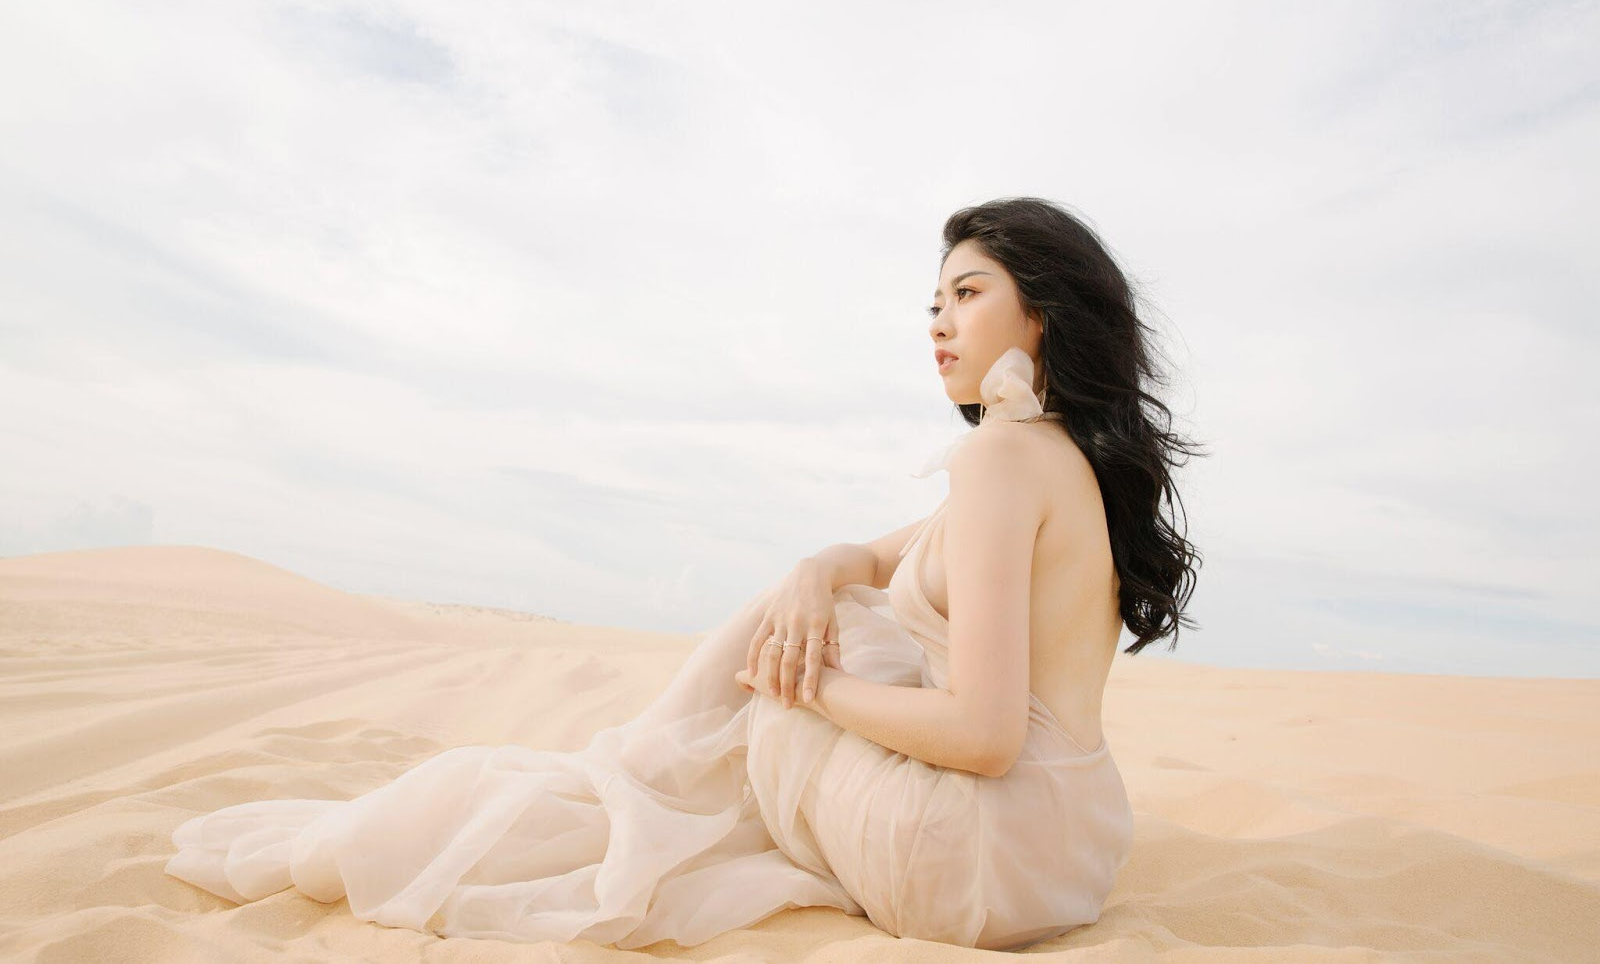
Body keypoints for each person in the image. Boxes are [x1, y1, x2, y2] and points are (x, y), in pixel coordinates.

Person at [165, 196, 1204, 951]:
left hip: (979, 865)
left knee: (790, 676)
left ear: (1043, 314)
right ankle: (644, 769)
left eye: (966, 294)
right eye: (930, 301)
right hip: (1068, 859)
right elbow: (869, 556)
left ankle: (635, 774)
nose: (936, 322)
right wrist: (812, 568)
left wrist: (808, 690)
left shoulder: (997, 460)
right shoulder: (1056, 460)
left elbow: (981, 737)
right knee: (826, 609)